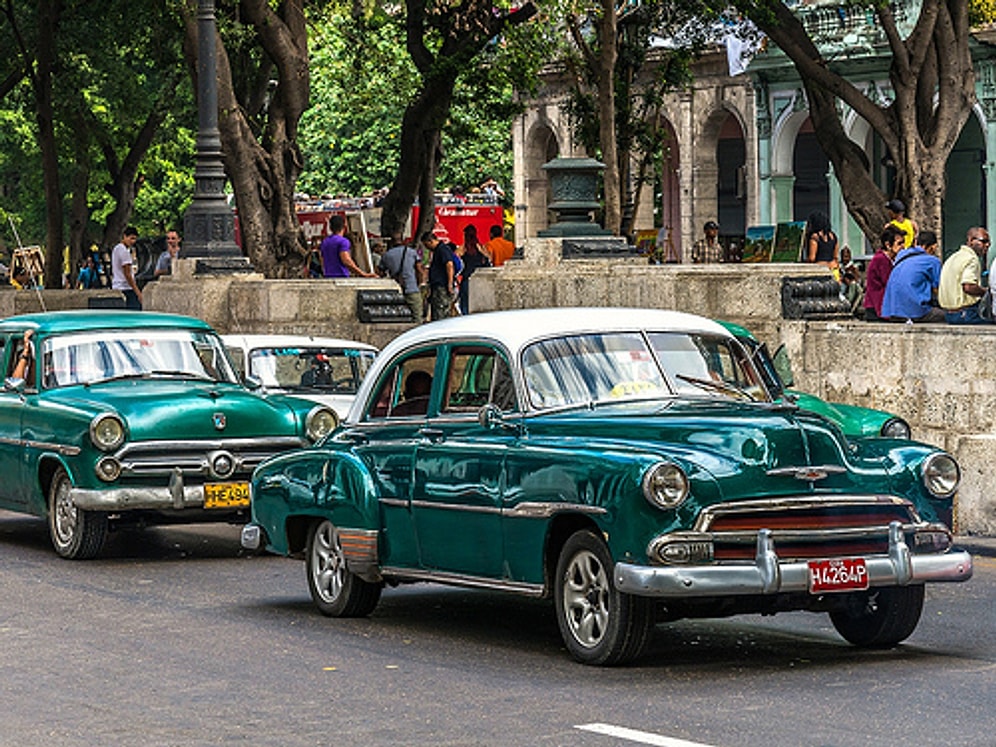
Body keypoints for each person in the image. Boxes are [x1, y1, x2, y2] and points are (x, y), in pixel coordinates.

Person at [881, 230, 945, 323]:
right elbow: (938, 290)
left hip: (893, 311)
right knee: (946, 316)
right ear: (933, 247)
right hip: (915, 312)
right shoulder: (932, 261)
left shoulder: (901, 256)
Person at [938, 226, 991, 325]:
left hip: (949, 315)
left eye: (989, 243)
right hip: (964, 314)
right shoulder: (971, 259)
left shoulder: (954, 257)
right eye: (983, 241)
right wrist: (985, 292)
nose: (987, 245)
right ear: (971, 240)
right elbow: (968, 287)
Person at [378, 233, 424, 323]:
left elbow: (380, 272)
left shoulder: (386, 255)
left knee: (396, 316)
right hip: (411, 287)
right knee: (417, 316)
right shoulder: (411, 252)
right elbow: (419, 270)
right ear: (403, 241)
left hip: (395, 289)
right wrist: (419, 283)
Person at [863, 224, 904, 321]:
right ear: (888, 245)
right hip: (876, 306)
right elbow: (889, 283)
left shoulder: (889, 259)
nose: (903, 247)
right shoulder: (881, 260)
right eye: (899, 243)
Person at [455, 225, 491, 315]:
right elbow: (489, 261)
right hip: (480, 280)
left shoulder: (462, 249)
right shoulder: (481, 248)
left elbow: (454, 262)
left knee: (465, 304)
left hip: (467, 279)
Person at [421, 231, 456, 321]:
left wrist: (449, 283)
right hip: (436, 286)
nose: (427, 248)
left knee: (441, 313)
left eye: (426, 245)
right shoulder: (437, 251)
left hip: (442, 286)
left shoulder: (443, 249)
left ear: (430, 241)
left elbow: (449, 265)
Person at [111, 225, 142, 310]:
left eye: (134, 239)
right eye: (131, 238)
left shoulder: (117, 248)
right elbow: (127, 274)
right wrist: (137, 291)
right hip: (126, 288)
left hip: (117, 286)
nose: (133, 241)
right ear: (125, 236)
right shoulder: (124, 251)